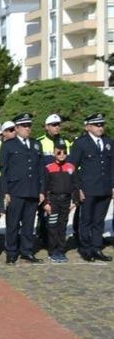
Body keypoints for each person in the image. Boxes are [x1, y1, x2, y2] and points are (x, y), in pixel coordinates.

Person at [0, 113, 45, 264]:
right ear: (17, 128)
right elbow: (3, 171)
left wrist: (42, 190)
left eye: (29, 125)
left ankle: (27, 251)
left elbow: (41, 169)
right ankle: (11, 252)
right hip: (15, 190)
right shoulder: (8, 145)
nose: (27, 128)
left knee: (29, 224)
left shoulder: (36, 144)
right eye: (24, 126)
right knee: (13, 224)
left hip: (32, 190)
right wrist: (5, 192)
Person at [68, 113, 114, 262]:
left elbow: (112, 166)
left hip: (105, 188)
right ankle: (86, 248)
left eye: (102, 125)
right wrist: (78, 188)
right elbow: (72, 167)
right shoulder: (81, 143)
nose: (100, 127)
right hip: (88, 189)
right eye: (97, 125)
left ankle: (97, 248)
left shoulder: (108, 141)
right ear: (88, 127)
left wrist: (113, 186)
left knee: (99, 220)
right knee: (86, 220)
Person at [43, 143, 77, 263]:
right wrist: (46, 203)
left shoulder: (71, 167)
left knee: (62, 226)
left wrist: (75, 201)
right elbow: (44, 187)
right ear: (54, 153)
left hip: (66, 201)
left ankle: (61, 250)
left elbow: (75, 185)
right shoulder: (49, 168)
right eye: (59, 152)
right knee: (52, 226)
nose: (62, 154)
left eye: (64, 152)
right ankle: (53, 251)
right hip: (53, 200)